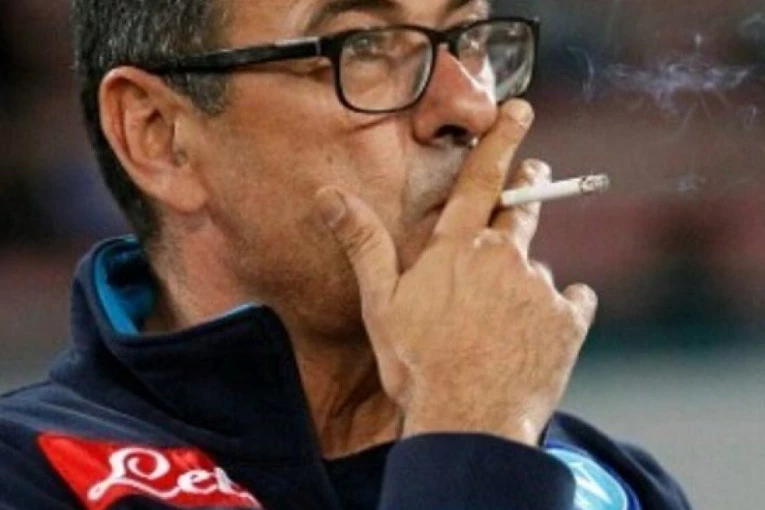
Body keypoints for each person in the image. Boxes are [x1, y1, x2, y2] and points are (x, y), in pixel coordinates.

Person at [0, 0, 692, 508]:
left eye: (470, 38)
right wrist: (472, 446)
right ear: (160, 136)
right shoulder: (28, 475)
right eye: (363, 45)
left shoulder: (613, 487)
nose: (471, 107)